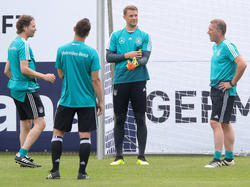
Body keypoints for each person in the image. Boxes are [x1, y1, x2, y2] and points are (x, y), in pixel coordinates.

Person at [46, 18, 104, 180]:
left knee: (58, 133)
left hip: (67, 99)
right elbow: (96, 79)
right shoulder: (92, 53)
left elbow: (61, 74)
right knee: (85, 136)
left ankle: (55, 171)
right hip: (86, 101)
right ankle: (82, 172)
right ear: (88, 33)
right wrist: (100, 101)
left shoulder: (62, 50)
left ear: (74, 29)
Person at [4, 15, 56, 168]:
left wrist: (16, 81)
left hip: (15, 89)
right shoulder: (24, 44)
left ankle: (23, 159)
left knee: (25, 124)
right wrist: (45, 76)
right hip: (27, 89)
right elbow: (24, 69)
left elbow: (7, 70)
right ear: (25, 28)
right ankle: (22, 154)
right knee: (40, 123)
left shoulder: (12, 44)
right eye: (33, 26)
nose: (35, 29)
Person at [106, 5, 152, 166]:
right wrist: (128, 56)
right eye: (131, 16)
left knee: (140, 118)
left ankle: (142, 156)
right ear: (124, 17)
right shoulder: (117, 36)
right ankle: (119, 157)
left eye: (136, 15)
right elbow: (109, 57)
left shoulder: (144, 36)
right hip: (120, 81)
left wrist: (136, 63)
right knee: (120, 118)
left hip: (139, 81)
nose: (134, 18)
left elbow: (145, 57)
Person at [205, 19, 247, 168]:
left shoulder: (228, 46)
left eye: (210, 29)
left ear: (218, 31)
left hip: (224, 91)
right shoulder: (215, 47)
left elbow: (242, 63)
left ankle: (217, 159)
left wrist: (232, 83)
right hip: (216, 89)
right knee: (224, 123)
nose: (207, 32)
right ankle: (229, 159)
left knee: (215, 122)